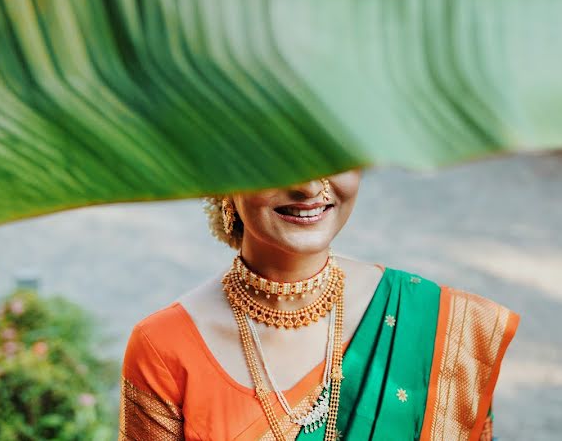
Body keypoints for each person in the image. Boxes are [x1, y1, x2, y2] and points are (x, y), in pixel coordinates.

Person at [118, 169, 520, 440]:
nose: (310, 188)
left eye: (334, 156)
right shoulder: (164, 346)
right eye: (280, 160)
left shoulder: (435, 327)